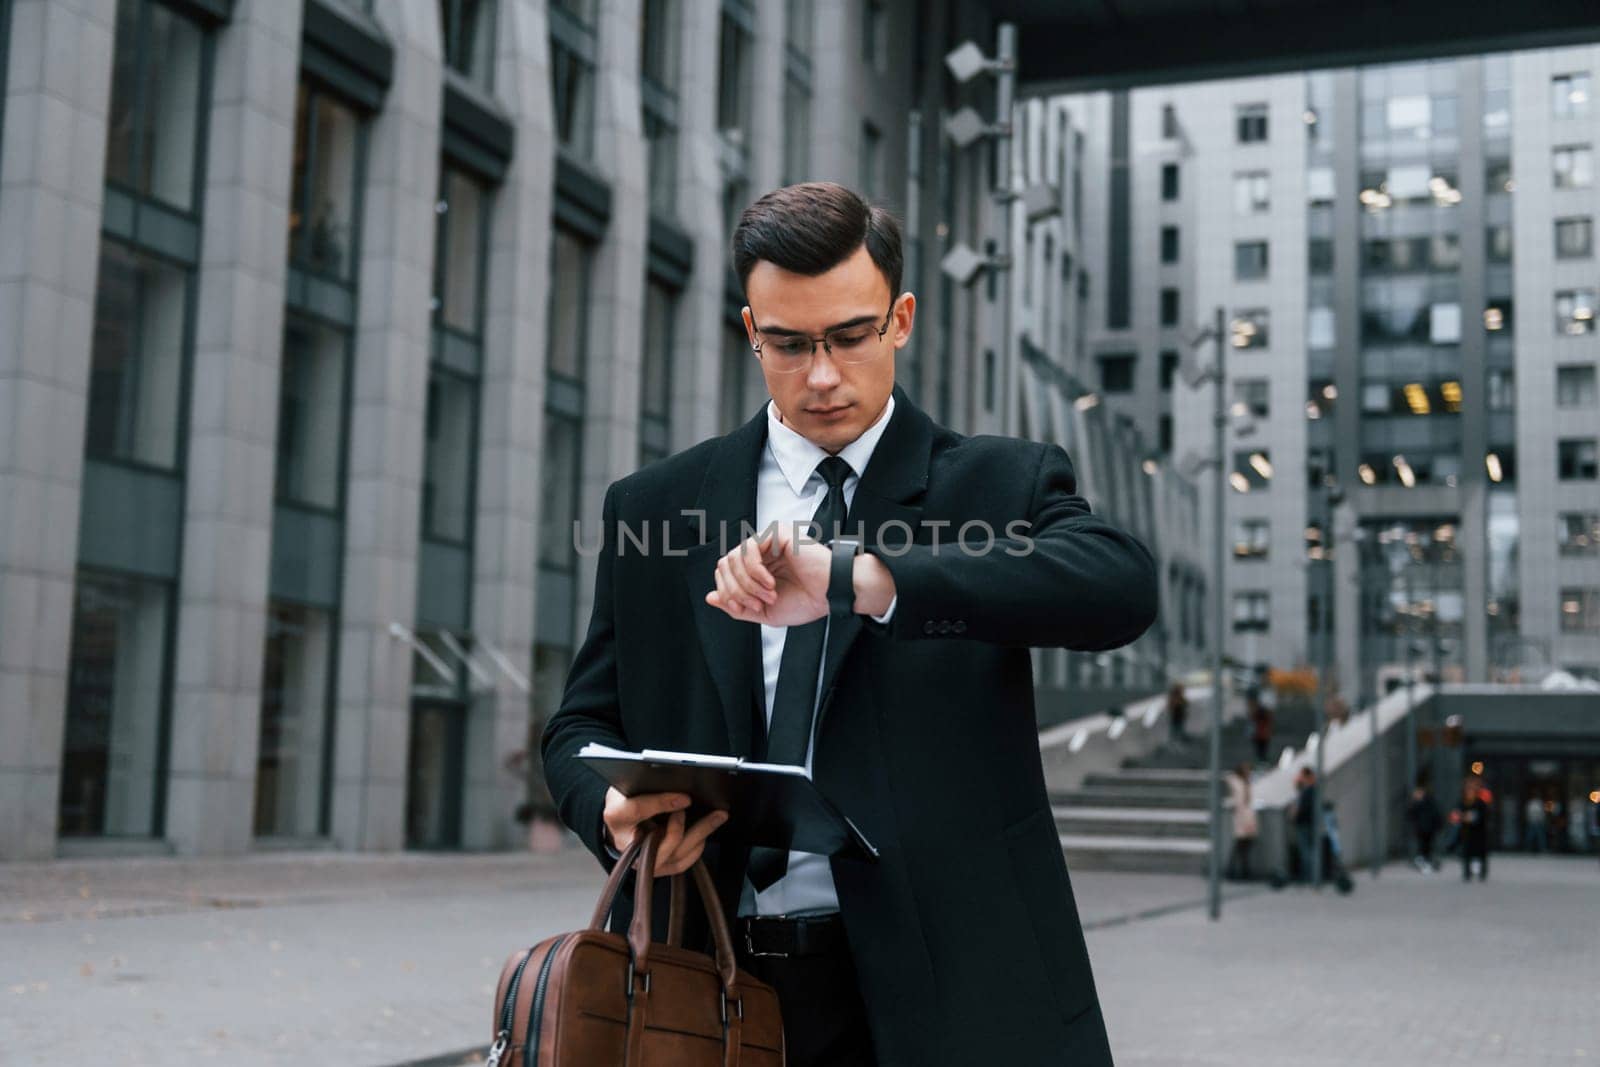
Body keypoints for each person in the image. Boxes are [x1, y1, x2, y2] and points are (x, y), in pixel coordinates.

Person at [541, 183, 1158, 1067]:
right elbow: (578, 725)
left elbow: (1121, 586)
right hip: (711, 993)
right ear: (750, 331)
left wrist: (862, 577)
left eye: (849, 335)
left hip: (957, 1002)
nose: (822, 374)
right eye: (789, 344)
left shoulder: (995, 487)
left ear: (900, 319)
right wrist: (609, 811)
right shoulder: (656, 507)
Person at [1452, 776, 1492, 881]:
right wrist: (1461, 817)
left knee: (1481, 853)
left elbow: (1481, 817)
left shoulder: (1480, 803)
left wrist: (1467, 817)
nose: (1470, 790)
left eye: (1472, 788)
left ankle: (1482, 873)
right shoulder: (1462, 802)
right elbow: (1455, 815)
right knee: (1467, 853)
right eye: (1468, 788)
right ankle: (1467, 873)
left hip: (1479, 832)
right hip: (1467, 832)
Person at [1225, 762, 1258, 879]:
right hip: (1242, 818)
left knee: (1244, 847)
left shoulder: (1246, 783)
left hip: (1247, 817)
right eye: (1246, 770)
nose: (1248, 773)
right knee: (1240, 846)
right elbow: (1240, 803)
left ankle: (1242, 870)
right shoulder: (1238, 784)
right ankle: (1233, 870)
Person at [1290, 766, 1319, 884]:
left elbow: (1303, 808)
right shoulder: (1307, 789)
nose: (1299, 777)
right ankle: (1311, 875)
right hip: (1307, 823)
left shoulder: (1309, 790)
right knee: (1307, 850)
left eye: (1301, 775)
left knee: (1306, 850)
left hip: (1305, 823)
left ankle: (1309, 876)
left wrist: (1295, 816)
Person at [1407, 778, 1442, 872]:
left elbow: (1435, 814)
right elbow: (1410, 814)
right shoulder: (1418, 802)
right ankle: (1425, 862)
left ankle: (1427, 862)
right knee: (1423, 846)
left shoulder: (1428, 802)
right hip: (1422, 828)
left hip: (1428, 828)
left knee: (1427, 846)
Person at [1249, 692, 1274, 764]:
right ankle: (1261, 760)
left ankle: (1262, 760)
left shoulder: (1263, 716)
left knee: (1262, 750)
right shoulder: (1259, 715)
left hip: (1262, 735)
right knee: (1261, 750)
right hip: (1260, 735)